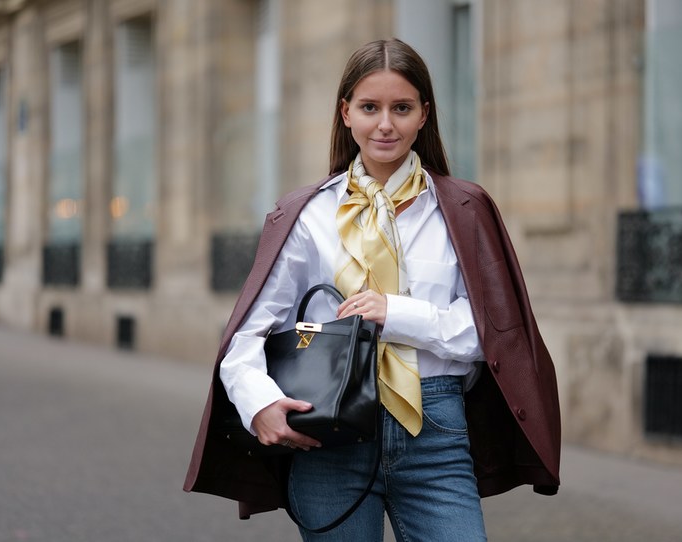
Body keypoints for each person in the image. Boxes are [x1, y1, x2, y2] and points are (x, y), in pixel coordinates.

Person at [184, 38, 561, 541]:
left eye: (401, 108)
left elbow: (496, 335)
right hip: (329, 432)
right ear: (346, 113)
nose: (386, 124)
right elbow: (249, 333)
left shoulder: (464, 209)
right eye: (370, 107)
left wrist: (396, 312)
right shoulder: (307, 213)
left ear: (424, 114)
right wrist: (259, 404)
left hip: (436, 434)